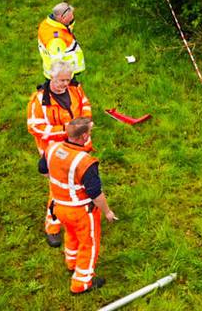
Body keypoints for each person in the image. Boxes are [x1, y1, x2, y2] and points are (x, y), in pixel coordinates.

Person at [39, 117, 117, 294]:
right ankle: (81, 283)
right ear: (83, 137)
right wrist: (108, 212)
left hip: (59, 207)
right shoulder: (84, 162)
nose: (90, 135)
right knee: (89, 245)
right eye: (89, 132)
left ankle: (71, 262)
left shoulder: (52, 148)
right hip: (81, 211)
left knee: (71, 234)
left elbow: (43, 170)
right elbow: (96, 194)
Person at [27, 61, 92, 246]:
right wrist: (67, 130)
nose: (65, 84)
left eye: (68, 79)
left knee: (81, 183)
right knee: (57, 191)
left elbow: (85, 104)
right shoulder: (39, 100)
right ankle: (52, 226)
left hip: (79, 148)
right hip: (56, 153)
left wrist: (85, 121)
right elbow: (35, 127)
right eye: (61, 80)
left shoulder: (74, 89)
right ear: (50, 76)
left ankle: (80, 212)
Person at [37, 1, 84, 78]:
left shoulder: (47, 24)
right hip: (62, 77)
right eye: (71, 16)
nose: (72, 18)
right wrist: (66, 79)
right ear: (63, 18)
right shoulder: (57, 41)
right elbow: (57, 65)